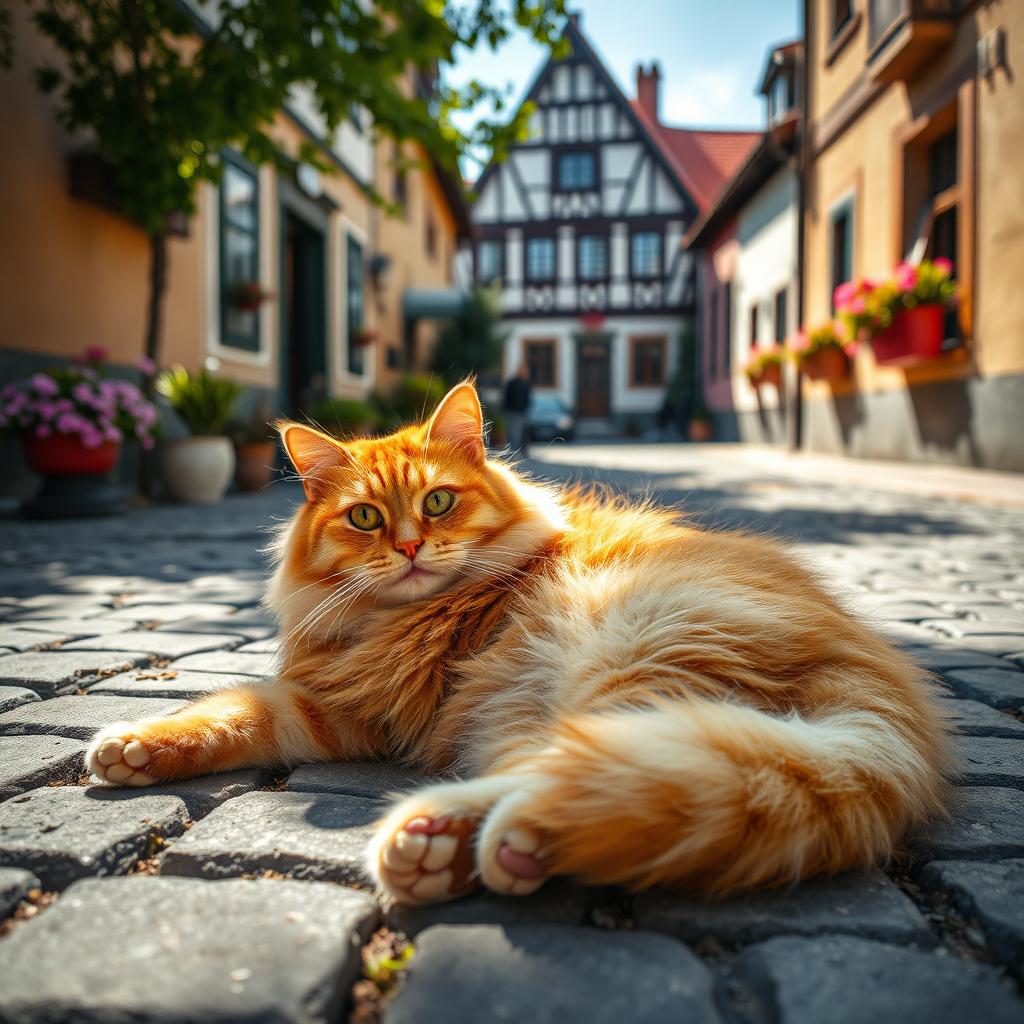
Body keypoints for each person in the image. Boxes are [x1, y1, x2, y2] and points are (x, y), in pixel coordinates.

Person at [503, 362, 531, 455]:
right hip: (512, 411)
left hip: (521, 412)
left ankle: (516, 451)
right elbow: (507, 397)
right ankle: (513, 451)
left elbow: (528, 398)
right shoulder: (512, 382)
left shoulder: (526, 383)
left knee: (519, 433)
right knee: (513, 433)